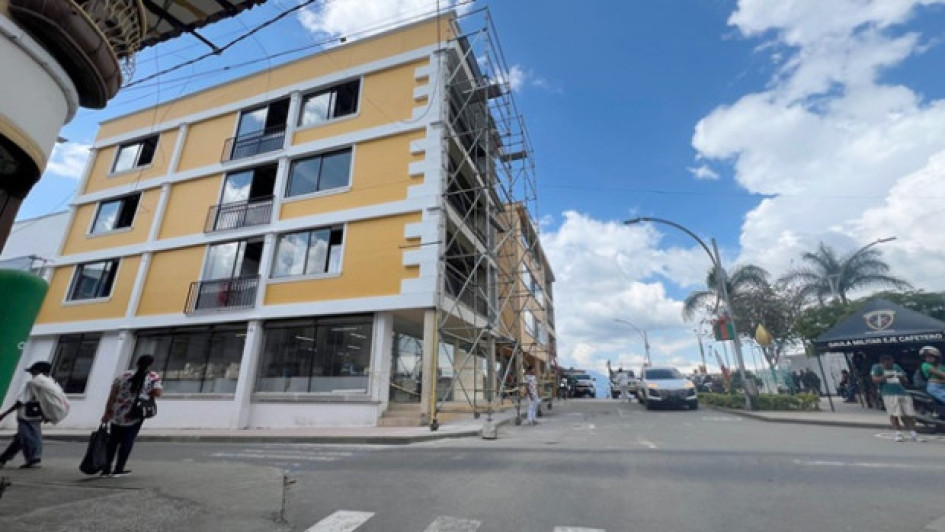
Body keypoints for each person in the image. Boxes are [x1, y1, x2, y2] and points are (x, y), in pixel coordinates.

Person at [101, 355, 163, 477]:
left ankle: (106, 468)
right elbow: (158, 393)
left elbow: (113, 395)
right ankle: (119, 469)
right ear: (151, 364)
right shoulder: (153, 377)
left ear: (137, 363)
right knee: (127, 440)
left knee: (113, 441)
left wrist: (108, 411)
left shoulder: (123, 376)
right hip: (135, 412)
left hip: (118, 411)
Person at [0, 362, 55, 468]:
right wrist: (47, 414)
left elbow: (21, 401)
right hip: (38, 414)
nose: (31, 374)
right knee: (22, 437)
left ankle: (34, 459)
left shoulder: (33, 383)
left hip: (26, 415)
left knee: (28, 438)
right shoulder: (51, 383)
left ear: (38, 372)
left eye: (33, 372)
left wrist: (5, 413)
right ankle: (4, 458)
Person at [871, 354, 921, 442]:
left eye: (890, 362)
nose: (889, 365)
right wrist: (885, 377)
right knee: (894, 414)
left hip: (902, 392)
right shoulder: (877, 367)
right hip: (888, 393)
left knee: (908, 414)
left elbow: (905, 380)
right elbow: (874, 380)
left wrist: (901, 377)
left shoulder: (896, 367)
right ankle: (898, 433)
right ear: (882, 363)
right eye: (887, 363)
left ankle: (913, 433)